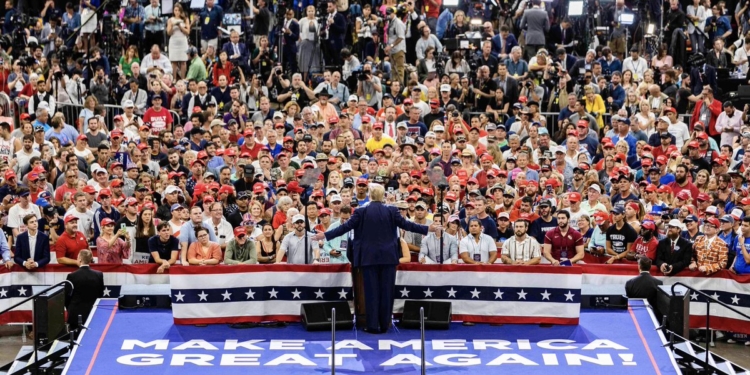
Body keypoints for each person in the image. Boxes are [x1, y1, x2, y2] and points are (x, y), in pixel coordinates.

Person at [313, 184, 437, 334]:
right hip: (388, 258)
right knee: (387, 292)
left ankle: (372, 325)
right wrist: (427, 229)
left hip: (368, 258)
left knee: (371, 292)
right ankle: (385, 324)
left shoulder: (360, 211)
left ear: (370, 195)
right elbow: (407, 224)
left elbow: (345, 228)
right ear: (383, 195)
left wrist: (325, 235)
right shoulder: (391, 211)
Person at [64, 249, 104, 333]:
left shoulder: (72, 276)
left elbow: (66, 297)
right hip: (94, 314)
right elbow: (101, 295)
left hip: (75, 315)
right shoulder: (99, 275)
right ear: (90, 260)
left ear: (80, 259)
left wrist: (70, 309)